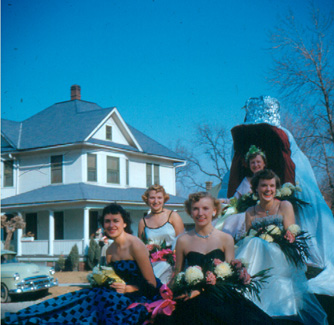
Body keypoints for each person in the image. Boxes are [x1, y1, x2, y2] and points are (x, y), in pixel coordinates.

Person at [5, 204, 161, 325]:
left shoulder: (135, 244)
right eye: (107, 221)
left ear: (125, 223)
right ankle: (27, 317)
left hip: (141, 294)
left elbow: (152, 283)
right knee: (76, 298)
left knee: (95, 303)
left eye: (116, 221)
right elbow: (112, 278)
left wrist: (129, 288)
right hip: (114, 293)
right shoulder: (110, 250)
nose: (111, 225)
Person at [160, 191, 275, 325]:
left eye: (205, 208)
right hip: (193, 298)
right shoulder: (183, 241)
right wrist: (175, 292)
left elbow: (229, 274)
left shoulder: (225, 239)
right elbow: (178, 273)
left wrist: (240, 273)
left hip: (220, 296)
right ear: (190, 212)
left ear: (214, 211)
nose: (200, 213)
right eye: (195, 209)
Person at [235, 169, 328, 324]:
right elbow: (248, 235)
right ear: (256, 188)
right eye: (264, 185)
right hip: (257, 251)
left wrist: (289, 235)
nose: (268, 189)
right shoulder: (250, 211)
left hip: (280, 253)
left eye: (272, 186)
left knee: (255, 243)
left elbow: (290, 231)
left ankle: (250, 293)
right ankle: (248, 294)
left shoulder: (284, 205)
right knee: (253, 242)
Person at [217, 145, 267, 240]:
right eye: (252, 163)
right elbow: (234, 200)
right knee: (230, 220)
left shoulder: (269, 180)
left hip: (263, 214)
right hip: (245, 215)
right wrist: (223, 201)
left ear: (264, 163)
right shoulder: (246, 181)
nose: (256, 165)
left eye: (258, 162)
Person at [138, 184, 184, 283]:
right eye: (152, 198)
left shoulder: (173, 216)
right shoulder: (143, 221)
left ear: (164, 199)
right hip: (151, 264)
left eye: (159, 198)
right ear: (147, 199)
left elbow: (183, 242)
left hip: (172, 263)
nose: (156, 201)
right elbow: (140, 247)